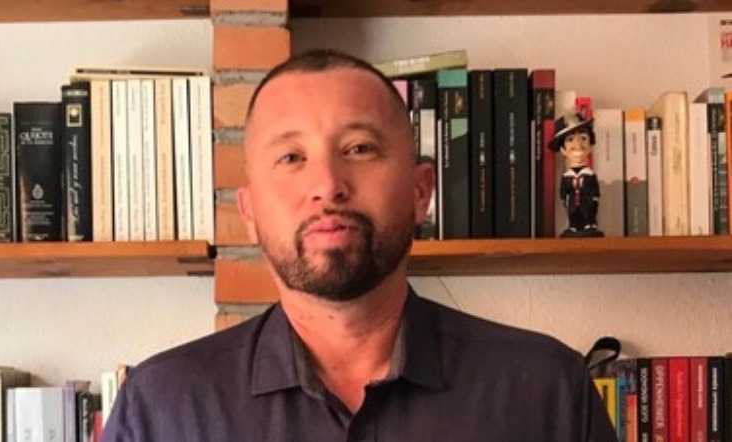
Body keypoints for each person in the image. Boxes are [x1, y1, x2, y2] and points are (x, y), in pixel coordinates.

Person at [101, 49, 617, 441]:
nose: (327, 184)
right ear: (250, 212)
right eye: (290, 157)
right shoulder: (159, 409)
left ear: (420, 192)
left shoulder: (548, 392)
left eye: (359, 148)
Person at [548, 113, 604, 238]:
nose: (578, 144)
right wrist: (565, 200)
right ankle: (574, 225)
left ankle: (589, 224)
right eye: (570, 140)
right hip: (572, 202)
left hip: (587, 202)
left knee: (587, 212)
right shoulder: (567, 176)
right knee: (573, 213)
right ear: (563, 150)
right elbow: (563, 192)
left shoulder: (590, 175)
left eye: (583, 138)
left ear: (591, 146)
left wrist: (594, 200)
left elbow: (594, 191)